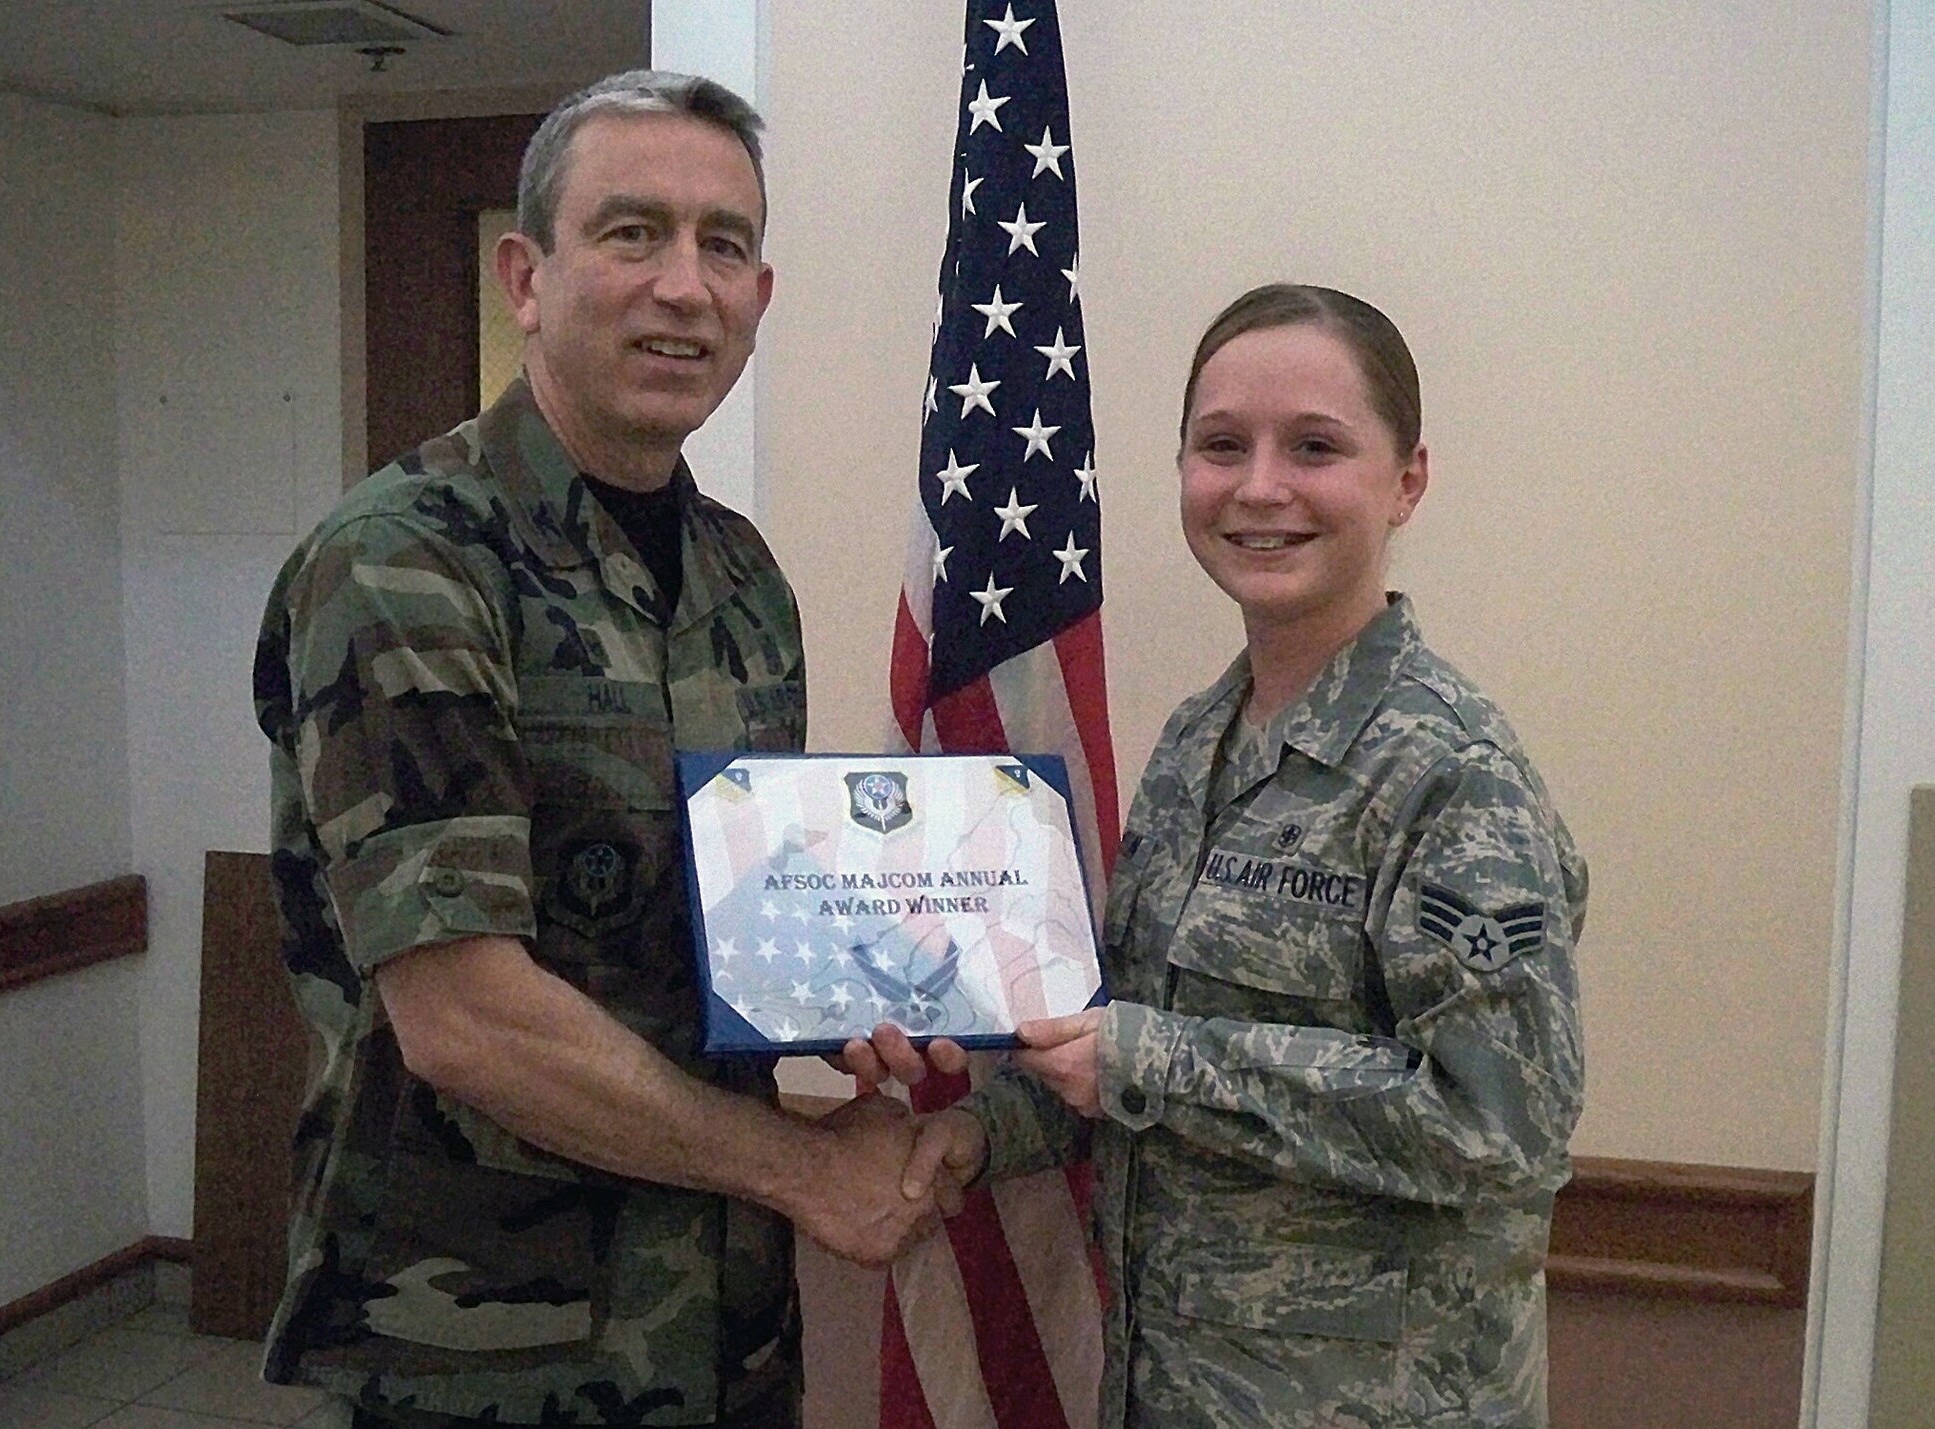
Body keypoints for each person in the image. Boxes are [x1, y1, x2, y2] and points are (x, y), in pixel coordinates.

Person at [253, 71, 955, 1429]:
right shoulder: (406, 558)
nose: (684, 286)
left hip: (721, 1324)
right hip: (491, 1345)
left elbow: (731, 938)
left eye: (725, 244)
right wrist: (805, 1169)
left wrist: (883, 1008)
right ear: (527, 275)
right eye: (633, 233)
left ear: (760, 294)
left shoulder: (740, 576)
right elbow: (464, 1016)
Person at [887, 284, 1587, 1428]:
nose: (1258, 487)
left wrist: (1148, 1060)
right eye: (1220, 447)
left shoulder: (1450, 774)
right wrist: (975, 1129)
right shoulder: (1193, 745)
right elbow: (1116, 1040)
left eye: (1313, 447)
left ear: (1405, 480)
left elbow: (1497, 1125)